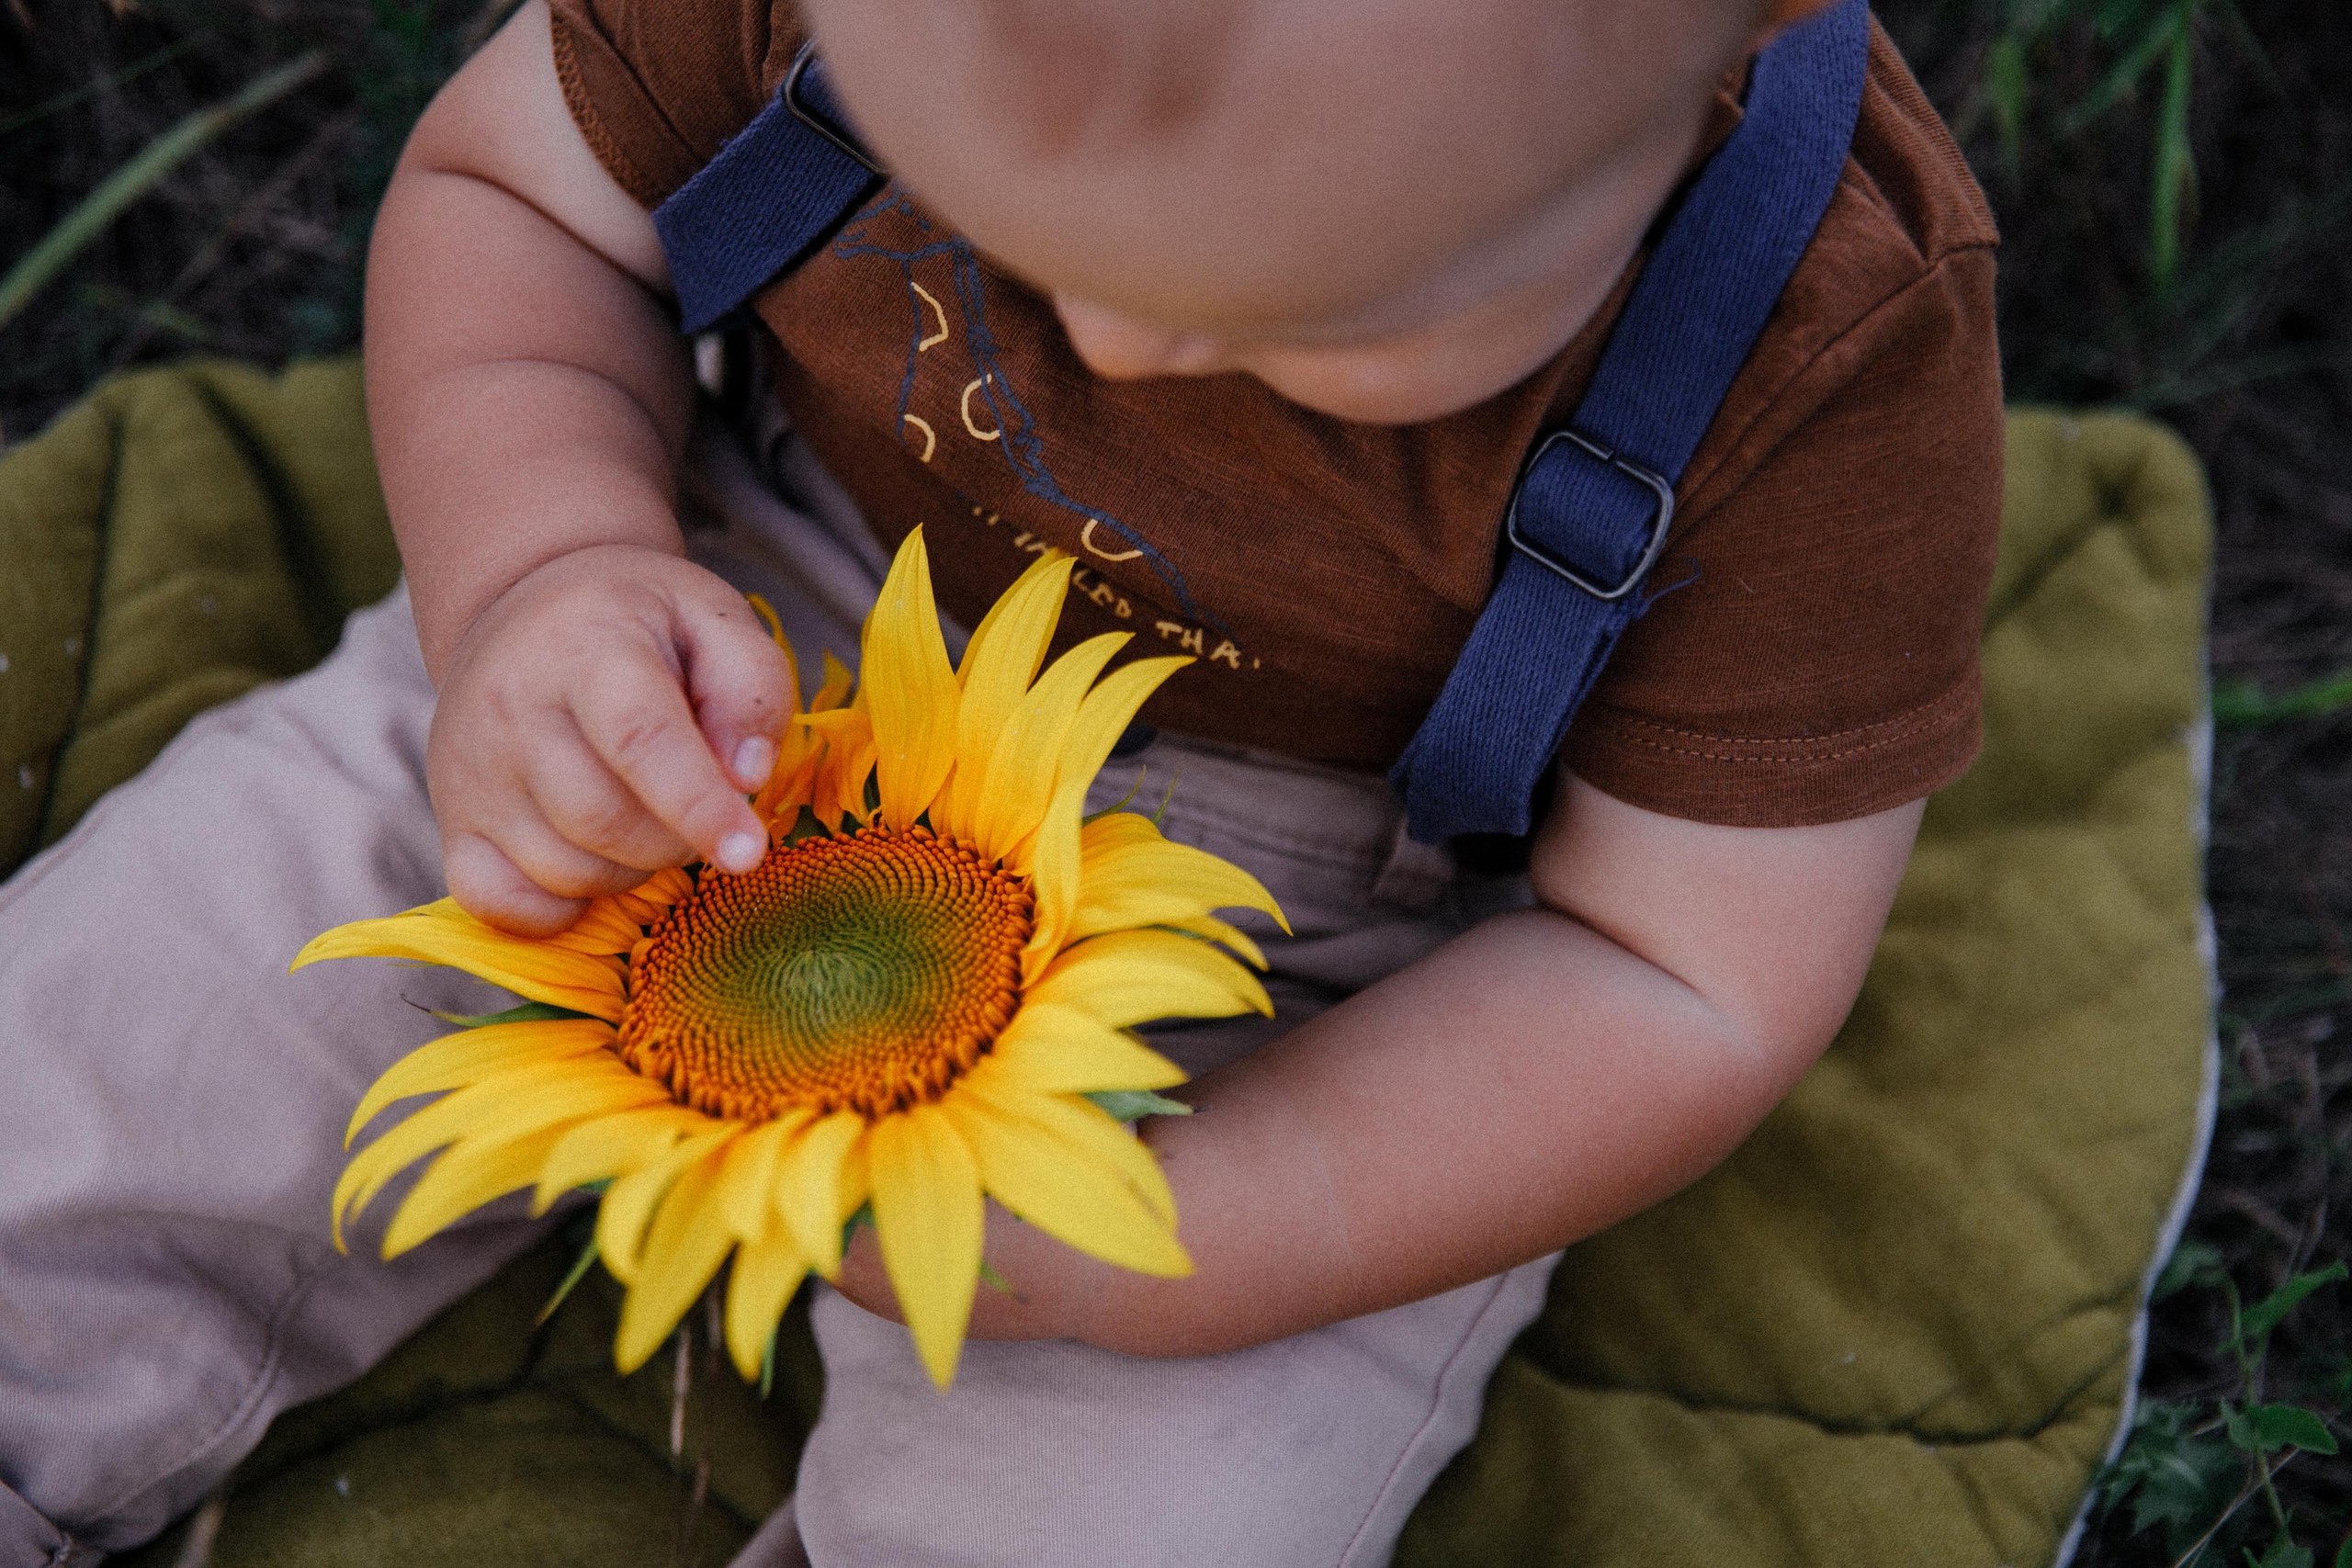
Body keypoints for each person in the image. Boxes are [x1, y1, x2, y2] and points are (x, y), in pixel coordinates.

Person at [0, 0, 2002, 1563]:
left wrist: (1213, 1219)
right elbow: (516, 210)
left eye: (1317, 310)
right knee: (122, 1042)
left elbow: (1680, 971)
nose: (1124, 341)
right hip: (701, 664)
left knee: (1129, 1510)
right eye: (998, 226)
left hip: (1308, 964)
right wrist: (541, 571)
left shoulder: (1823, 359)